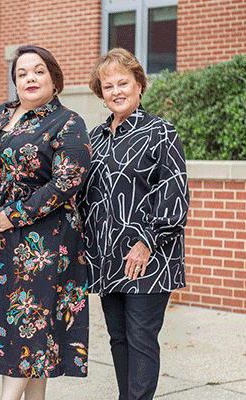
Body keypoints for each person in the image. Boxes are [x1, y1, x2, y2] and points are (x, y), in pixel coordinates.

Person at [0, 45, 91, 400]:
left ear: (54, 78)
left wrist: (13, 214)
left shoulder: (68, 122)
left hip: (44, 243)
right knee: (24, 335)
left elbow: (67, 181)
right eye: (22, 73)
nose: (30, 78)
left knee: (30, 329)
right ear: (15, 81)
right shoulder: (1, 115)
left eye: (38, 71)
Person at [81, 47, 190, 400]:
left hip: (148, 258)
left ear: (139, 84)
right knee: (118, 338)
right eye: (107, 85)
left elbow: (175, 195)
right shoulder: (94, 138)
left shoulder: (161, 132)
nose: (116, 91)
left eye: (123, 82)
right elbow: (84, 197)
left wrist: (146, 242)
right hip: (107, 258)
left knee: (141, 337)